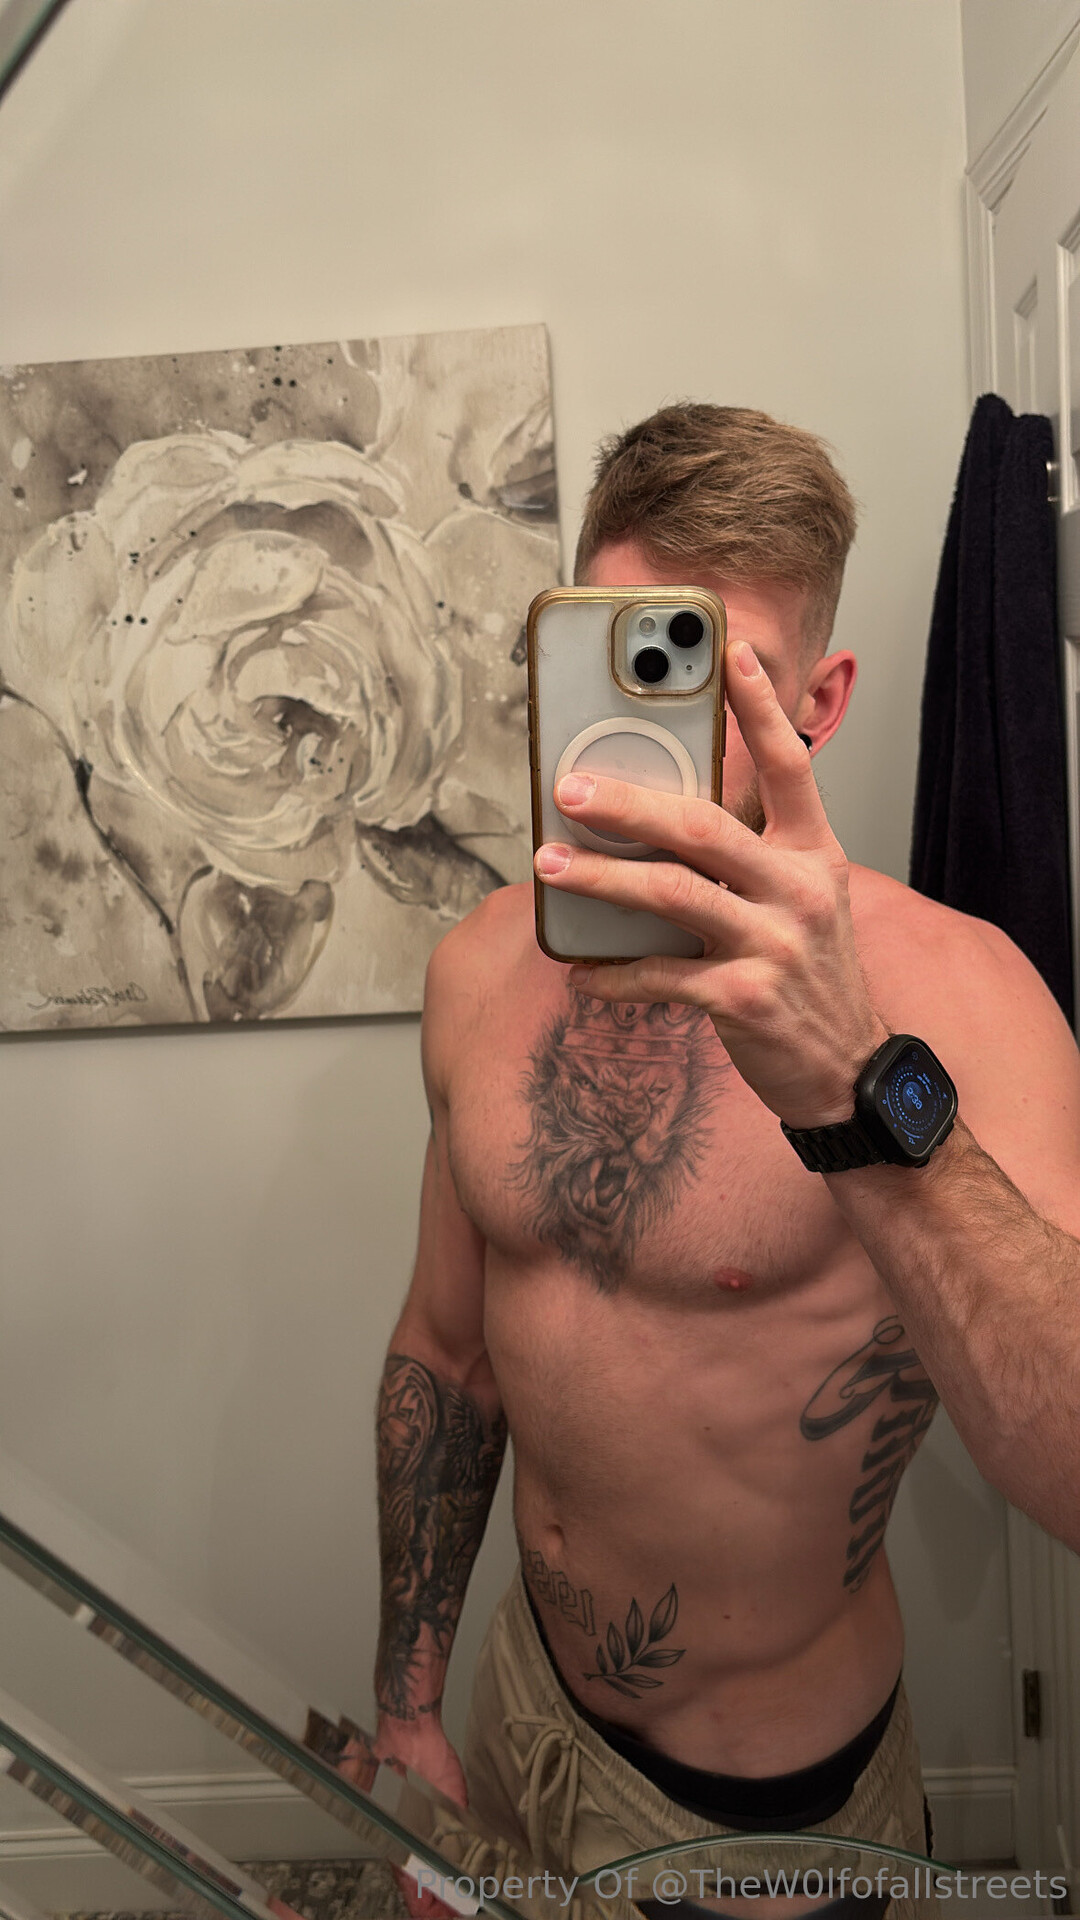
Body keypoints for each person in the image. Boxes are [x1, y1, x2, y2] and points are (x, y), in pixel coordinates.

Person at [368, 405, 1080, 1909]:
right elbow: (448, 1353)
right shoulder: (482, 966)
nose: (664, 742)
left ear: (817, 702)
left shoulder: (960, 995)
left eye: (720, 676)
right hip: (521, 1705)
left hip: (772, 1814)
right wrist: (410, 1699)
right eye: (627, 660)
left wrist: (855, 1083)